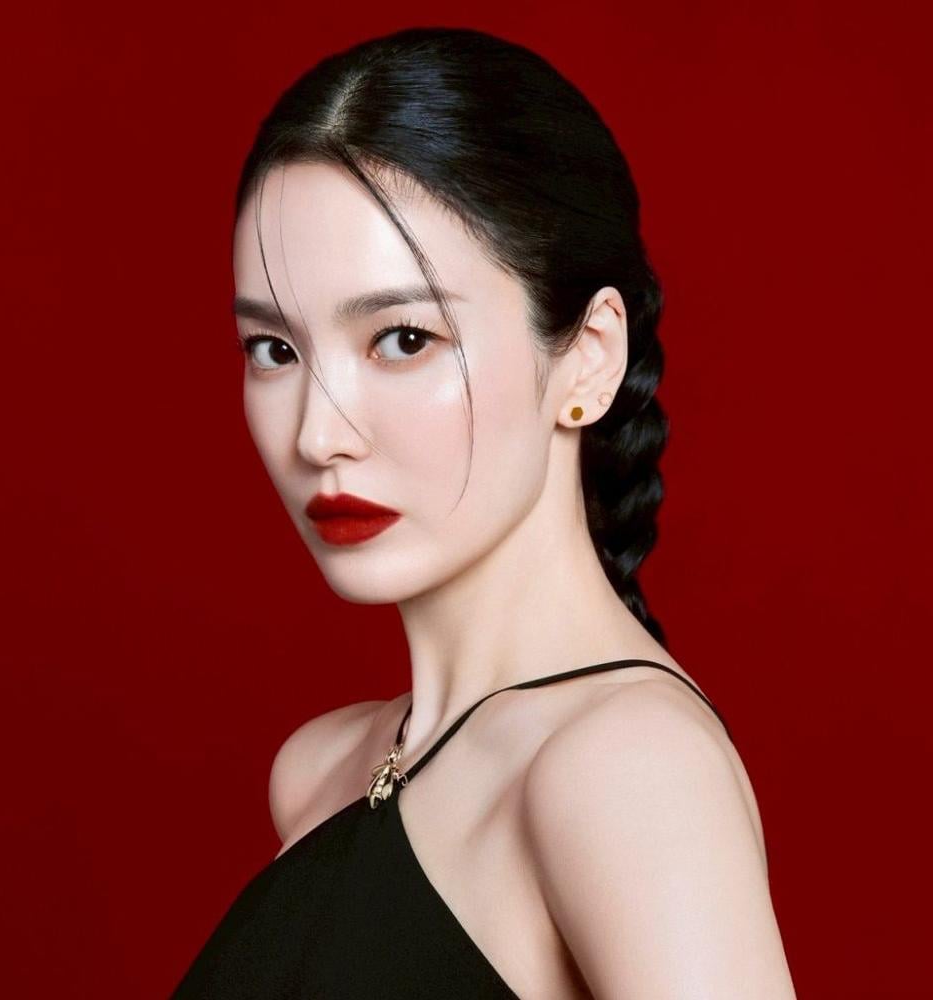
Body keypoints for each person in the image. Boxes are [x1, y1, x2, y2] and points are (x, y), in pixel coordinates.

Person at [172, 25, 797, 1000]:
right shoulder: (322, 771)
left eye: (403, 338)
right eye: (275, 350)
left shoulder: (626, 767)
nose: (317, 434)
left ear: (588, 357)